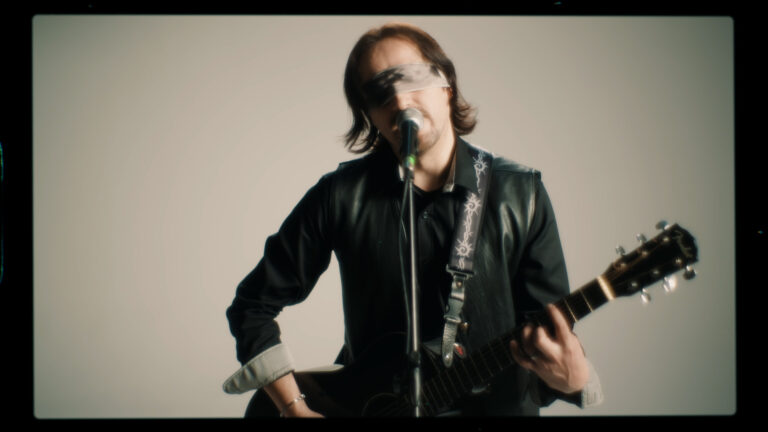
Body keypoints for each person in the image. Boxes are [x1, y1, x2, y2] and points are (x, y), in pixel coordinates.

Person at [223, 22, 603, 417]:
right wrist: (293, 408)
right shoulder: (339, 195)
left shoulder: (522, 195)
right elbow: (252, 306)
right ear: (369, 113)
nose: (400, 101)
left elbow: (549, 342)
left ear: (447, 85)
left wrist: (574, 380)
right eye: (379, 92)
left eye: (412, 78)